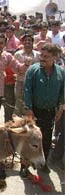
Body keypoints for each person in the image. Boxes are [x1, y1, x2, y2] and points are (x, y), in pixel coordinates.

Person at [23, 43, 65, 174]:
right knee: (30, 139)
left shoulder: (61, 72)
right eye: (41, 55)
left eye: (46, 56)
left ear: (55, 57)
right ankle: (25, 166)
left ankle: (43, 164)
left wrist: (60, 108)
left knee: (46, 140)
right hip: (34, 111)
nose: (42, 58)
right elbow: (27, 90)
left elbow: (63, 92)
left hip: (50, 112)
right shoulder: (33, 70)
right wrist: (28, 108)